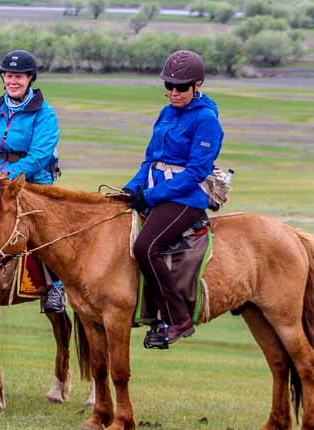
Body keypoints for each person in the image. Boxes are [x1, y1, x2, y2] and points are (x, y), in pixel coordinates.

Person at [123, 50, 224, 347]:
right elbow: (150, 159)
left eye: (181, 87)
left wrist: (151, 196)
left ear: (197, 85)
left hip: (187, 197)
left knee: (146, 247)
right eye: (168, 86)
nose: (173, 92)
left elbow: (195, 172)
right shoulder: (166, 113)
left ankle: (177, 318)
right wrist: (132, 188)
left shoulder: (207, 121)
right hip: (158, 190)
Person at [0, 49, 66, 313]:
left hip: (32, 182)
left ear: (30, 78)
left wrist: (2, 180)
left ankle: (55, 288)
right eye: (8, 75)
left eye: (19, 76)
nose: (13, 81)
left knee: (46, 234)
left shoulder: (45, 113)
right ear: (2, 78)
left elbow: (40, 155)